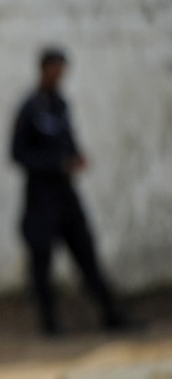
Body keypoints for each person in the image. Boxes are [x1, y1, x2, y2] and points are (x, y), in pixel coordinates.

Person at [10, 47, 126, 336]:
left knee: (86, 253)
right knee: (42, 263)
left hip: (66, 197)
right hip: (40, 200)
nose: (58, 76)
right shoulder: (30, 109)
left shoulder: (60, 105)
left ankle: (110, 313)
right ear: (43, 69)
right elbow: (18, 154)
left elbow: (68, 141)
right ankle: (49, 324)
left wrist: (75, 158)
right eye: (54, 69)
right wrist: (56, 164)